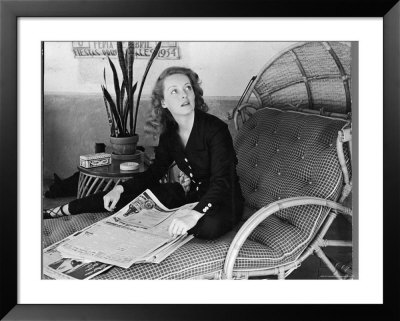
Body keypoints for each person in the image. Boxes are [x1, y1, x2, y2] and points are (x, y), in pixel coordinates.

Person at [44, 66, 244, 240]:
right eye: (174, 91)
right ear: (163, 102)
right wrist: (120, 189)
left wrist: (195, 213)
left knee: (207, 227)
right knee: (124, 196)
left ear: (194, 94)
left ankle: (181, 218)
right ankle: (62, 210)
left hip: (223, 201)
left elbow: (222, 181)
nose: (183, 95)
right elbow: (154, 173)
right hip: (189, 196)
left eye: (187, 88)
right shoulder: (170, 134)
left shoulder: (215, 129)